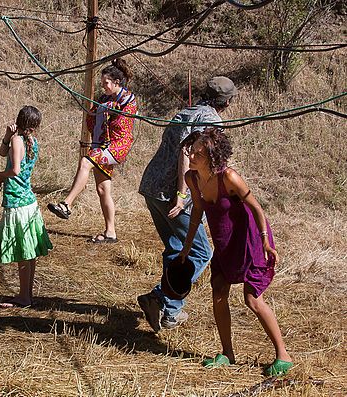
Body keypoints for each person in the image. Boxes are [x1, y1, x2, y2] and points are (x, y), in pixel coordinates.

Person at [178, 128, 293, 376]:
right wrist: (186, 248)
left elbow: (257, 208)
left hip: (250, 240)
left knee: (251, 298)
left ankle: (283, 355)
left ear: (212, 156)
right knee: (218, 291)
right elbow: (197, 211)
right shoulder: (192, 178)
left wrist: (265, 241)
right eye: (192, 151)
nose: (192, 156)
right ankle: (228, 353)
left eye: (198, 153)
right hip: (225, 242)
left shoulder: (229, 177)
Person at [137, 76, 237, 331]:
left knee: (176, 247)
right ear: (227, 102)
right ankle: (161, 298)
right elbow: (187, 152)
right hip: (173, 194)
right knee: (200, 252)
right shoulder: (211, 120)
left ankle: (170, 311)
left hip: (153, 187)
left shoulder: (187, 111)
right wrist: (182, 195)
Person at [47, 58, 137, 243]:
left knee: (85, 162)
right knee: (103, 189)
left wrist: (112, 111)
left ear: (116, 83)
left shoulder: (128, 99)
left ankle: (67, 204)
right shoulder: (103, 99)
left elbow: (122, 124)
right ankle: (110, 232)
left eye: (106, 83)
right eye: (102, 83)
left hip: (116, 146)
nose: (103, 87)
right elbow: (92, 119)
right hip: (101, 146)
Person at [0, 106, 53, 308]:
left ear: (19, 120)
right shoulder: (31, 142)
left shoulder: (19, 141)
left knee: (23, 252)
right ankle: (26, 294)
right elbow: (3, 153)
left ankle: (24, 296)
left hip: (17, 202)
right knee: (29, 251)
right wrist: (7, 136)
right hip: (29, 201)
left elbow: (15, 170)